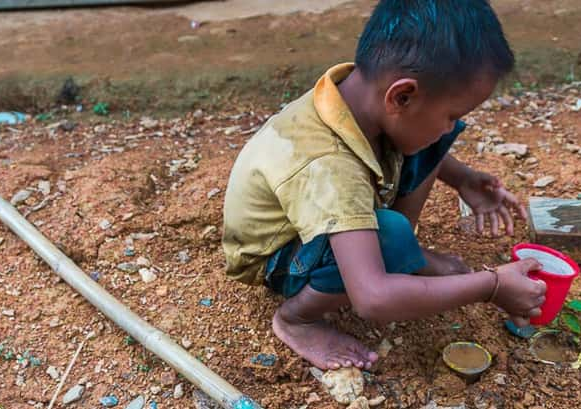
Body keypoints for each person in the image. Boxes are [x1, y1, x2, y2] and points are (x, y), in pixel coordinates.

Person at [222, 0, 546, 371]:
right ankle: (298, 319)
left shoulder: (365, 99)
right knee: (388, 235)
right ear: (402, 96)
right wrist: (490, 286)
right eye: (451, 115)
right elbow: (372, 299)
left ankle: (399, 257)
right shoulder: (328, 164)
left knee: (430, 138)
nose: (449, 126)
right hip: (277, 255)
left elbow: (426, 134)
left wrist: (463, 178)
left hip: (335, 203)